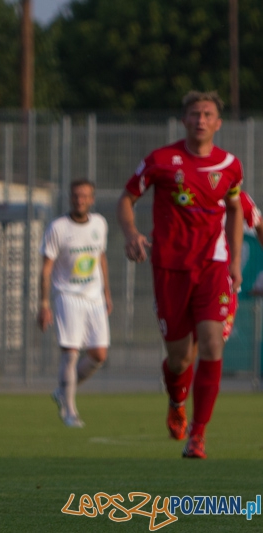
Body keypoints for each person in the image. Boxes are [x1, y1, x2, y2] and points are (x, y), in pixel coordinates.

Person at [117, 91, 244, 459]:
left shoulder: (230, 166)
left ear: (218, 123)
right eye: (194, 113)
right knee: (179, 359)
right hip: (170, 268)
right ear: (184, 120)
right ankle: (176, 399)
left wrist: (234, 259)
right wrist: (131, 234)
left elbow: (235, 208)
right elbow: (126, 198)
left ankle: (198, 435)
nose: (200, 119)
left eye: (207, 114)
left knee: (211, 344)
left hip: (213, 266)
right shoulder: (160, 160)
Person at [37, 180, 112, 428]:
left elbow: (101, 258)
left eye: (85, 196)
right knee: (70, 355)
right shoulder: (58, 228)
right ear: (70, 198)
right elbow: (46, 269)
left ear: (92, 199)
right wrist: (44, 304)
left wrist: (107, 294)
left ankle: (62, 391)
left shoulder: (100, 224)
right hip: (68, 297)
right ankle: (69, 411)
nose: (80, 200)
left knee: (98, 355)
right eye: (76, 196)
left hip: (94, 297)